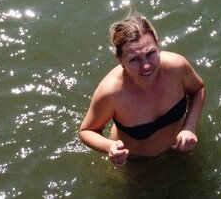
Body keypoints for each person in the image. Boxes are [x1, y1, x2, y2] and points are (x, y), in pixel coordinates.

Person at [79, 15, 207, 164]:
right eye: (134, 59)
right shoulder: (111, 93)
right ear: (120, 60)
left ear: (158, 44)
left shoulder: (176, 67)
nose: (146, 66)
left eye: (151, 53)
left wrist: (189, 127)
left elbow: (198, 89)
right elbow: (87, 131)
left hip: (182, 149)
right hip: (137, 162)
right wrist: (110, 147)